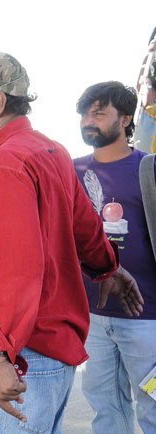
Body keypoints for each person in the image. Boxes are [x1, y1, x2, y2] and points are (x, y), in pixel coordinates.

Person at [0, 51, 144, 433]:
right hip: (44, 356)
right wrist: (107, 269)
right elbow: (85, 228)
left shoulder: (6, 162)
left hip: (20, 357)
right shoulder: (50, 150)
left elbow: (18, 270)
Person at [74, 81, 156, 433]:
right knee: (106, 409)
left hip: (147, 317)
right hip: (92, 315)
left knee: (153, 408)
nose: (87, 120)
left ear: (125, 119)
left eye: (98, 113)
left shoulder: (149, 168)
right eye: (84, 114)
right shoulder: (71, 171)